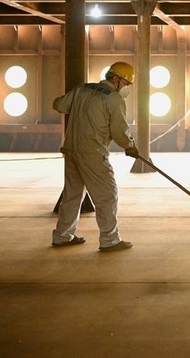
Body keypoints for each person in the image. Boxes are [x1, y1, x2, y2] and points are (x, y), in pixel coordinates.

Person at [51, 61, 140, 252]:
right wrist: (130, 146)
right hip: (92, 154)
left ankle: (62, 236)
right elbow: (119, 131)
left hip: (71, 150)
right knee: (107, 195)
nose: (126, 89)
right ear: (115, 79)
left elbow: (59, 105)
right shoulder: (114, 100)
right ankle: (110, 240)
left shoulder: (81, 89)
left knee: (72, 195)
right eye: (125, 84)